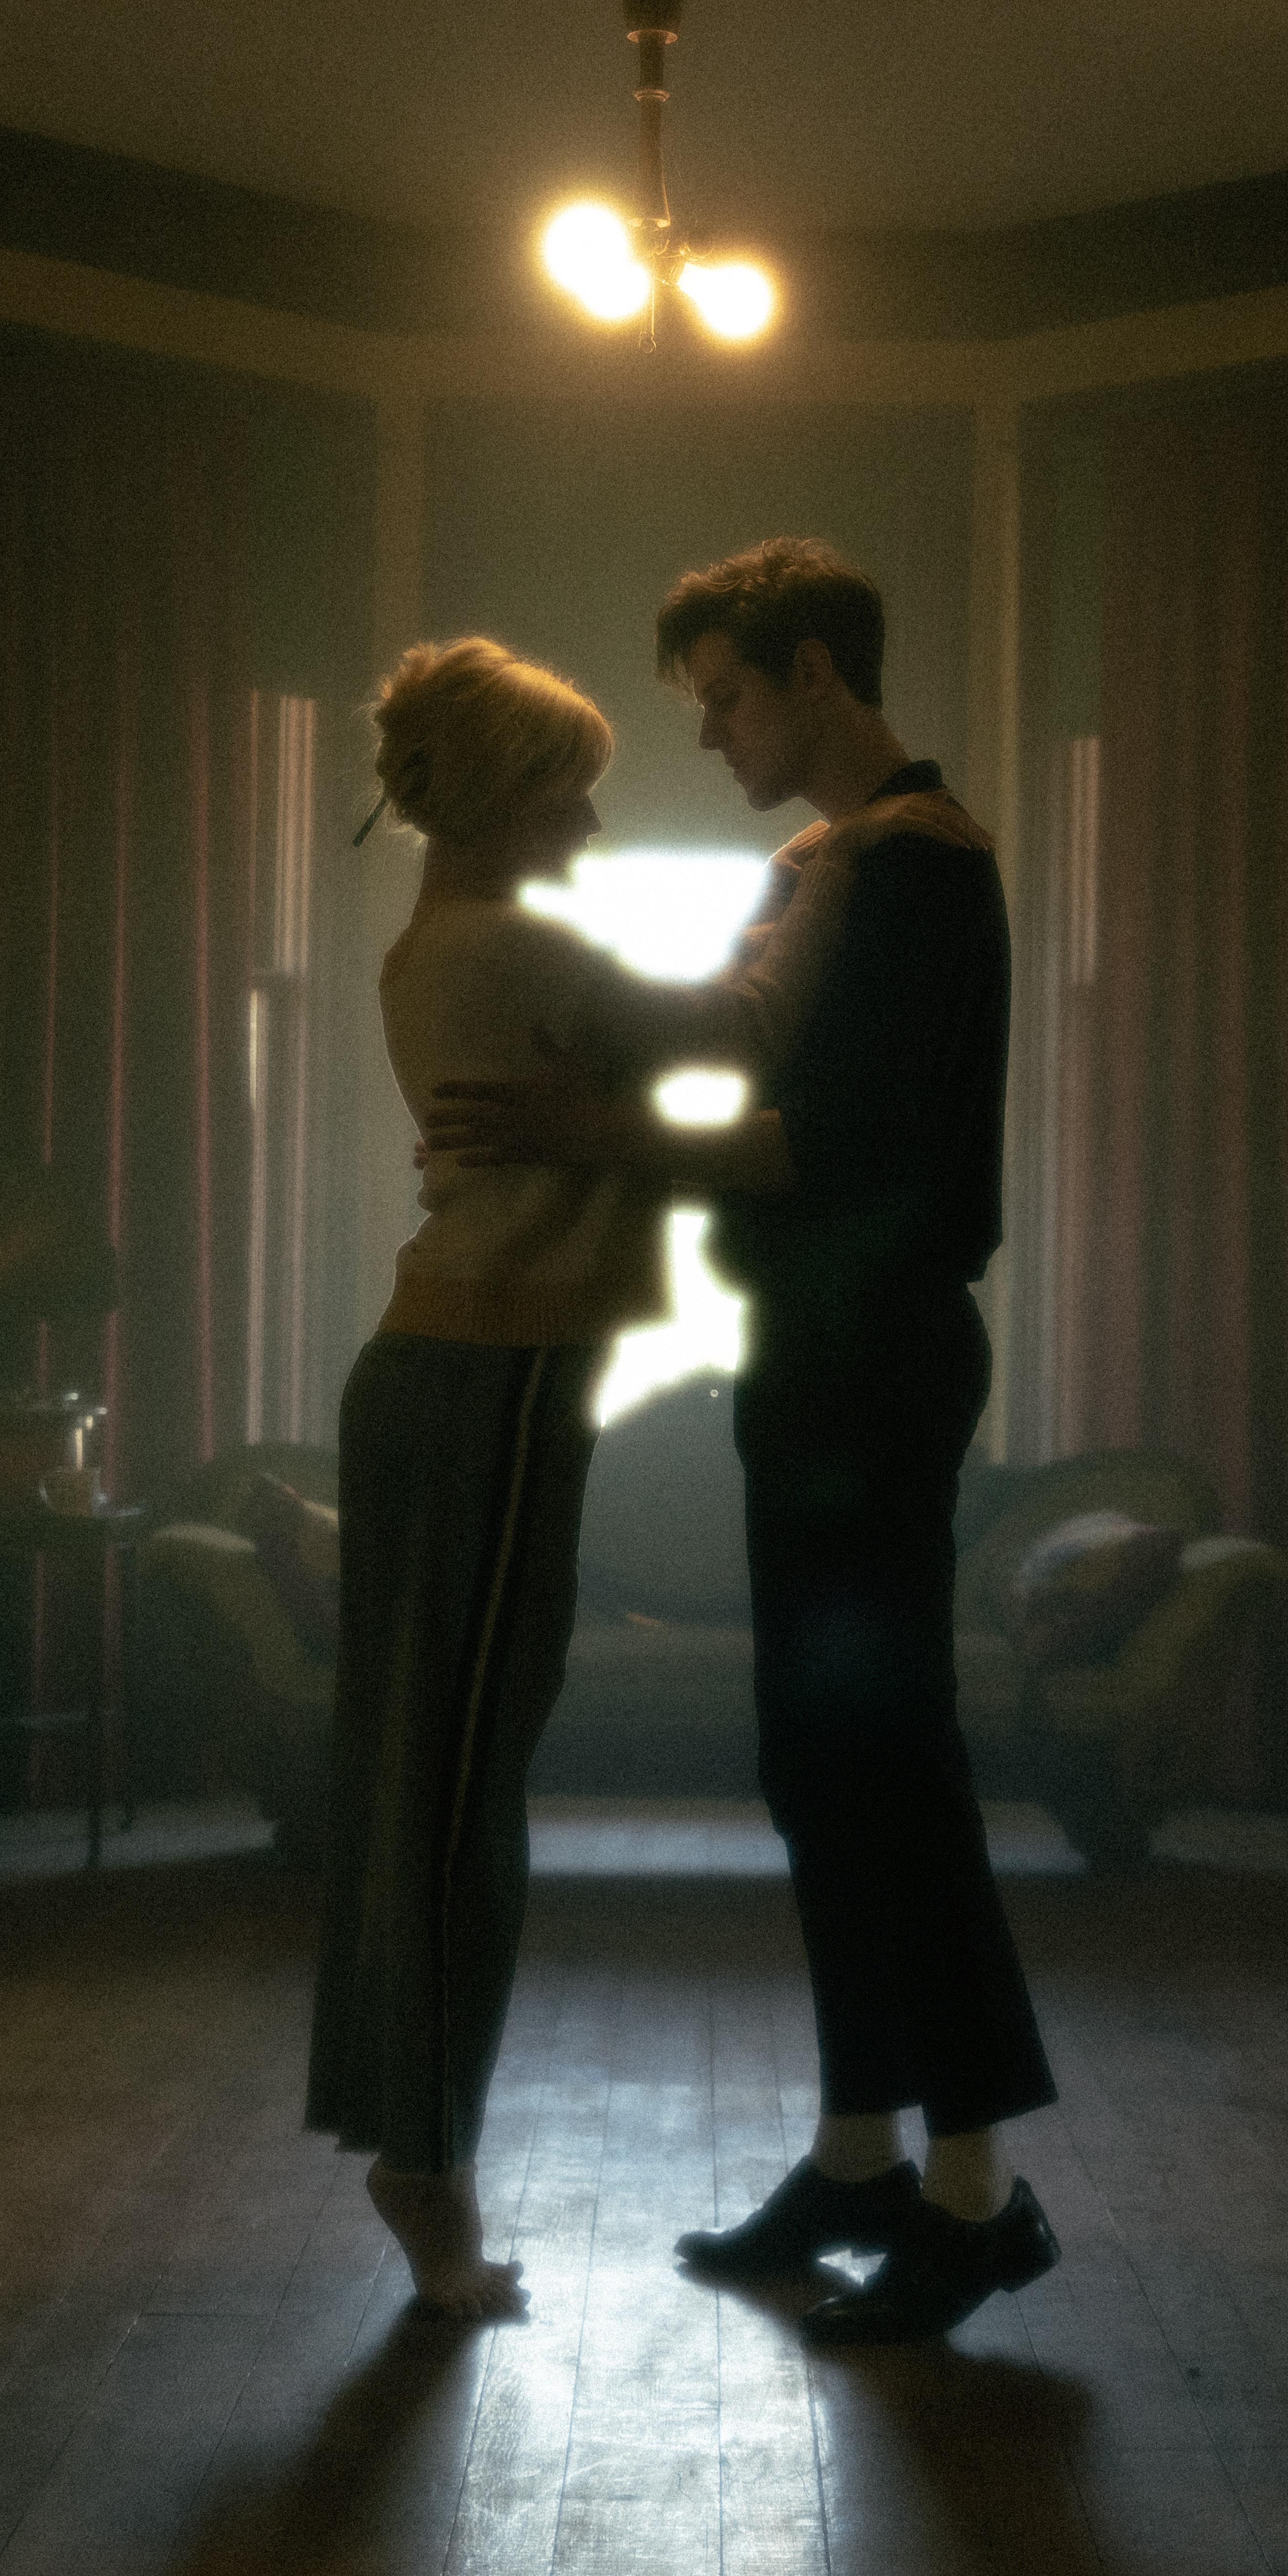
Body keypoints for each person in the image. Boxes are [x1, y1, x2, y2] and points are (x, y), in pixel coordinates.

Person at [428, 541, 1060, 2346]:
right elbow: (720, 1053)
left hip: (874, 1356)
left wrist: (582, 1134)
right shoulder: (831, 867)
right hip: (816, 1352)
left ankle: (975, 2194)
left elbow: (825, 1148)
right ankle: (862, 2154)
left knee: (891, 1765)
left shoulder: (924, 870)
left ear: (810, 672)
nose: (704, 734)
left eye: (722, 697)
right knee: (817, 1759)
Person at [307, 637, 887, 2319]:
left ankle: (418, 2160)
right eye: (573, 781)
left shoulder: (446, 944)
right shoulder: (522, 951)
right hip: (482, 1387)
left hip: (465, 1380)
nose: (596, 812)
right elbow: (746, 1028)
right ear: (505, 798)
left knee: (437, 1788)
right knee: (459, 1801)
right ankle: (425, 2179)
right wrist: (825, 863)